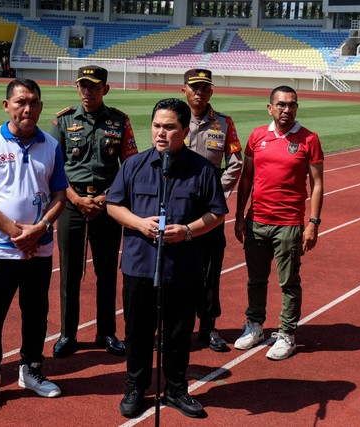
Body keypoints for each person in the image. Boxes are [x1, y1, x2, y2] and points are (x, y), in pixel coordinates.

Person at [106, 98, 228, 418]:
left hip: (183, 267)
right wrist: (138, 223)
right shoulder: (133, 165)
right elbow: (113, 205)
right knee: (137, 331)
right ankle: (136, 386)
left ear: (185, 130)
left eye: (170, 127)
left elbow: (216, 213)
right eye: (157, 126)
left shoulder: (202, 169)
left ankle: (176, 389)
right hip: (139, 264)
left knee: (177, 331)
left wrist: (187, 230)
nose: (161, 133)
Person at [0, 78, 68, 413]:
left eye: (34, 102)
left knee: (36, 315)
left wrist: (41, 228)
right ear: (6, 105)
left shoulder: (50, 145)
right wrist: (16, 233)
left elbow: (60, 194)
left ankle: (31, 371)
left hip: (40, 247)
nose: (28, 108)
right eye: (21, 102)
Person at [48, 65, 138, 358]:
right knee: (70, 274)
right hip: (72, 206)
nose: (88, 91)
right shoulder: (63, 121)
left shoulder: (120, 122)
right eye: (83, 86)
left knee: (106, 272)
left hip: (107, 206)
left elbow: (131, 166)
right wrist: (75, 198)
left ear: (105, 89)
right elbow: (53, 167)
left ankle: (107, 332)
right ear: (77, 88)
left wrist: (107, 198)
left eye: (94, 86)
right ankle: (67, 334)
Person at [233, 85, 324, 360]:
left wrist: (313, 223)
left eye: (292, 105)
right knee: (256, 279)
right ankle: (255, 326)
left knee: (289, 282)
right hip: (257, 220)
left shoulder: (309, 139)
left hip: (289, 223)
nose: (287, 109)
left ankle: (287, 334)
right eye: (281, 104)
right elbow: (246, 178)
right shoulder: (257, 136)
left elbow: (317, 183)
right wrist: (239, 216)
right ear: (270, 108)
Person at [181, 68, 243, 352]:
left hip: (209, 211)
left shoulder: (224, 123)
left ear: (211, 91)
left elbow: (235, 162)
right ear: (184, 90)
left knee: (209, 271)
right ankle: (178, 326)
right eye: (194, 87)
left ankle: (208, 327)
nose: (200, 92)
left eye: (205, 88)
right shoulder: (174, 119)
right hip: (179, 208)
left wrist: (217, 194)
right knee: (177, 269)